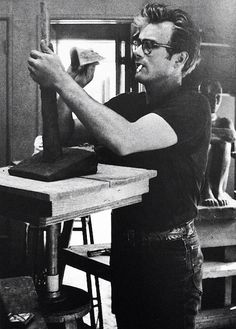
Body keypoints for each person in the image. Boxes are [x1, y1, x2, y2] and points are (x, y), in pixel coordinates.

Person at [28, 3, 211, 329]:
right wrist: (59, 87)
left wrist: (61, 81)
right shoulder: (128, 103)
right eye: (138, 42)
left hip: (170, 254)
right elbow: (63, 136)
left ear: (179, 59)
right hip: (126, 248)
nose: (138, 51)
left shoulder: (192, 107)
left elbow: (124, 138)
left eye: (150, 46)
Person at [198, 79, 236, 207]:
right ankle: (205, 190)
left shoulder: (225, 121)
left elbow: (232, 138)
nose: (214, 101)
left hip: (220, 179)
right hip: (197, 178)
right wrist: (219, 135)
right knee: (205, 144)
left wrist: (211, 134)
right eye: (209, 96)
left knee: (224, 144)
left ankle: (218, 190)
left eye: (217, 96)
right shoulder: (196, 119)